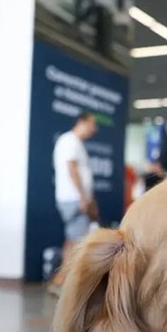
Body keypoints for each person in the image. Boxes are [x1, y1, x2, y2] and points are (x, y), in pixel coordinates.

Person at [49, 112, 98, 296]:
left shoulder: (75, 143)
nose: (94, 129)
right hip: (74, 199)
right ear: (82, 122)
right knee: (77, 242)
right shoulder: (69, 141)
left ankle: (61, 281)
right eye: (92, 124)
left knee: (72, 241)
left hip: (76, 198)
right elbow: (72, 170)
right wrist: (83, 197)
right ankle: (61, 281)